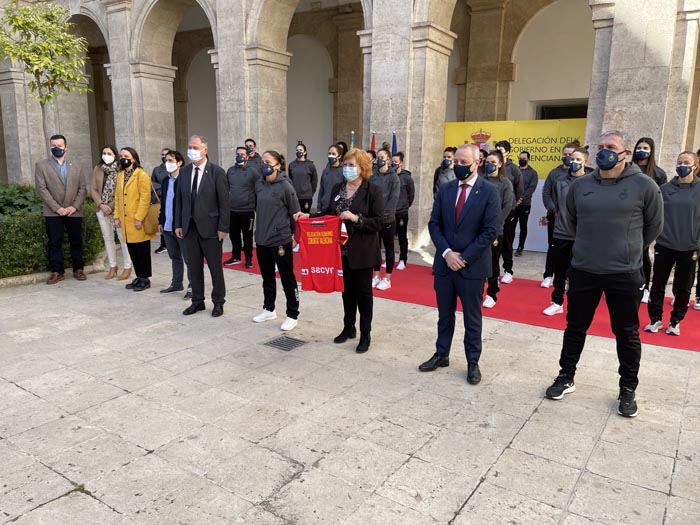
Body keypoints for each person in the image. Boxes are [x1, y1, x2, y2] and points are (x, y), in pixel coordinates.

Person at [545, 130, 663, 418]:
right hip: (584, 269)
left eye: (610, 147)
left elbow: (653, 228)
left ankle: (627, 389)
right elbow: (571, 221)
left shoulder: (645, 186)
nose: (603, 151)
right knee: (575, 327)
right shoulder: (581, 185)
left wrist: (626, 250)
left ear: (625, 154)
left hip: (624, 273)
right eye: (600, 146)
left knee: (626, 332)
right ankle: (566, 376)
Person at [419, 143, 500, 384]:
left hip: (471, 268)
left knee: (471, 318)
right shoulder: (445, 190)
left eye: (465, 162)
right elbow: (434, 224)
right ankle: (441, 354)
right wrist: (446, 253)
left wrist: (463, 257)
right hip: (445, 265)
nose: (459, 166)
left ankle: (472, 362)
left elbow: (490, 231)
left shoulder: (488, 191)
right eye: (457, 162)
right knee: (445, 315)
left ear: (477, 164)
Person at [296, 148, 383, 353]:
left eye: (351, 165)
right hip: (338, 251)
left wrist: (356, 218)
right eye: (345, 165)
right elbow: (328, 214)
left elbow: (379, 222)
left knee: (363, 295)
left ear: (363, 168)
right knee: (346, 293)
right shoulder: (338, 188)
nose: (347, 169)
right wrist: (308, 217)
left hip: (362, 251)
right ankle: (348, 327)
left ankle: (365, 334)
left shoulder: (373, 190)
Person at [644, 151, 700, 336]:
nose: (682, 165)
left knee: (684, 287)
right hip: (665, 245)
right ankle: (655, 319)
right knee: (658, 284)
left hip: (689, 247)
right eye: (679, 162)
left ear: (695, 166)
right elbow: (655, 215)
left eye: (687, 162)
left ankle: (675, 321)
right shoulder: (665, 189)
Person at [174, 135, 229, 317]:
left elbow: (224, 203)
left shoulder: (217, 172)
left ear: (205, 150)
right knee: (194, 267)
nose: (192, 150)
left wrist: (223, 228)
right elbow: (179, 201)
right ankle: (197, 301)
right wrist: (178, 224)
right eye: (190, 147)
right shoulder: (184, 172)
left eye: (195, 147)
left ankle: (218, 302)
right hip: (189, 228)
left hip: (211, 229)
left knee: (215, 268)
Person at [251, 151, 301, 331]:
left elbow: (295, 214)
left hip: (280, 239)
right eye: (262, 161)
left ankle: (292, 313)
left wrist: (295, 237)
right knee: (267, 276)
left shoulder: (286, 186)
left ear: (278, 165)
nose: (263, 164)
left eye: (268, 161)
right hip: (262, 239)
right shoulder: (259, 184)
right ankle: (269, 308)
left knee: (287, 277)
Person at [34, 134, 88, 284]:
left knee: (76, 241)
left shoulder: (77, 166)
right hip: (53, 212)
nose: (56, 148)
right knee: (55, 242)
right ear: (50, 147)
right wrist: (57, 208)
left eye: (59, 145)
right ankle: (57, 272)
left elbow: (83, 188)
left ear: (66, 147)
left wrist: (74, 207)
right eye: (53, 146)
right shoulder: (41, 165)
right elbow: (41, 189)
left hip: (74, 211)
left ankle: (78, 269)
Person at [542, 147, 589, 316]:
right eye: (571, 158)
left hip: (581, 235)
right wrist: (553, 210)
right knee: (560, 270)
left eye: (577, 159)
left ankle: (577, 304)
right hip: (561, 232)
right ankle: (557, 302)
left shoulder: (590, 182)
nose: (573, 162)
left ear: (585, 162)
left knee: (578, 273)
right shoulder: (559, 180)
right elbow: (549, 196)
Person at [113, 147, 155, 292]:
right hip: (125, 221)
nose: (123, 158)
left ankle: (145, 278)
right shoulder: (120, 175)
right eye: (121, 155)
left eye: (126, 156)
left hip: (138, 220)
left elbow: (145, 198)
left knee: (142, 250)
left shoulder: (141, 175)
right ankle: (138, 276)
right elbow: (117, 197)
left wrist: (139, 217)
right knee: (132, 250)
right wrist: (116, 216)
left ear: (134, 159)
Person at [632, 137, 668, 303]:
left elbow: (662, 200)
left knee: (643, 252)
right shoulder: (627, 168)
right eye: (639, 147)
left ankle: (645, 287)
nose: (642, 150)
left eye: (645, 147)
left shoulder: (658, 173)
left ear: (651, 150)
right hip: (627, 216)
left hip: (646, 219)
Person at [91, 145, 133, 281]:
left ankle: (127, 267)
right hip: (101, 209)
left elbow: (121, 191)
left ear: (115, 155)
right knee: (107, 238)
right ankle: (113, 266)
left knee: (122, 238)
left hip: (118, 209)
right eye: (104, 153)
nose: (106, 155)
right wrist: (102, 205)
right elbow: (93, 189)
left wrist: (110, 206)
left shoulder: (121, 169)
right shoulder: (98, 169)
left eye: (109, 153)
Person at [541, 142, 579, 288]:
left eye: (571, 155)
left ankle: (568, 278)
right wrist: (552, 209)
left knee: (572, 251)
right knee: (553, 247)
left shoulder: (585, 175)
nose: (568, 157)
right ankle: (548, 275)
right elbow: (546, 193)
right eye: (565, 154)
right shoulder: (554, 173)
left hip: (574, 221)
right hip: (555, 217)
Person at [481, 150, 515, 309]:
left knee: (493, 263)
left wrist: (494, 223)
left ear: (500, 164)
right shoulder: (480, 180)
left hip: (495, 230)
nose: (490, 165)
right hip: (478, 229)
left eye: (493, 162)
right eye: (487, 162)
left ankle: (492, 293)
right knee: (478, 261)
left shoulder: (505, 183)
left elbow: (507, 206)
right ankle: (477, 290)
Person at [158, 150, 191, 296]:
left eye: (171, 161)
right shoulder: (165, 181)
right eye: (166, 160)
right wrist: (161, 220)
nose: (167, 163)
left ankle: (193, 286)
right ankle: (177, 283)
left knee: (189, 258)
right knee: (174, 256)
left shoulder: (185, 180)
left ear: (179, 163)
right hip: (167, 224)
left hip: (181, 226)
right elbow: (164, 203)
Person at [494, 140, 523, 284]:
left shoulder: (514, 169)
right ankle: (494, 273)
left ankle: (508, 270)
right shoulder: (493, 167)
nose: (498, 153)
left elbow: (519, 188)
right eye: (496, 150)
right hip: (493, 212)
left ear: (508, 153)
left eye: (501, 151)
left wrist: (512, 204)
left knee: (507, 241)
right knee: (494, 244)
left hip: (509, 212)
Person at [224, 146, 258, 268]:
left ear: (247, 157)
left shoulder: (252, 171)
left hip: (247, 210)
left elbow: (258, 188)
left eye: (243, 154)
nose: (240, 156)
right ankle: (236, 256)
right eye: (238, 154)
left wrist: (255, 205)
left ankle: (249, 258)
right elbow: (226, 188)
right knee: (234, 235)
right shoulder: (230, 170)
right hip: (233, 209)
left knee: (247, 236)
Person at [371, 148, 399, 290]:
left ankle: (387, 278)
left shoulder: (393, 177)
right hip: (375, 218)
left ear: (388, 160)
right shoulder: (373, 175)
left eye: (382, 157)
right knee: (375, 248)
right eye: (377, 157)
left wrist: (385, 215)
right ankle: (376, 275)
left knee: (388, 248)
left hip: (388, 220)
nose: (379, 159)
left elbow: (393, 199)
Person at [392, 152, 415, 270]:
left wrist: (405, 206)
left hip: (401, 212)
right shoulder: (389, 175)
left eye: (395, 162)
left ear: (401, 163)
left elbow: (411, 195)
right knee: (389, 237)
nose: (393, 163)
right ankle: (389, 259)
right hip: (390, 212)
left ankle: (402, 259)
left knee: (402, 236)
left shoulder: (407, 178)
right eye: (392, 161)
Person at [514, 150, 538, 256]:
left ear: (529, 159)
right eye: (520, 158)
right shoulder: (514, 171)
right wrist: (514, 200)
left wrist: (521, 199)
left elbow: (531, 188)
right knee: (510, 226)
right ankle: (507, 246)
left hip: (525, 204)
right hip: (512, 204)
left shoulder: (533, 173)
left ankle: (520, 248)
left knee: (523, 226)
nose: (521, 160)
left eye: (524, 159)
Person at [288, 142, 318, 213]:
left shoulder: (310, 165)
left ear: (305, 152)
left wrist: (310, 193)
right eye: (297, 150)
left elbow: (314, 181)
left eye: (301, 150)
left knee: (304, 217)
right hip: (295, 196)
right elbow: (290, 179)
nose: (299, 152)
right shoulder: (292, 165)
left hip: (306, 196)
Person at [152, 147, 170, 254]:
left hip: (174, 199)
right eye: (162, 155)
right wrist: (161, 189)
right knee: (162, 221)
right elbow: (152, 183)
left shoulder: (176, 167)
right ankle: (163, 245)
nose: (164, 157)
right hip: (162, 198)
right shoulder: (157, 170)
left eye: (166, 154)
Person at [318, 145, 344, 212]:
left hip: (336, 208)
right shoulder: (325, 171)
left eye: (334, 154)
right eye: (329, 154)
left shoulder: (343, 171)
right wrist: (319, 206)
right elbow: (321, 189)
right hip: (324, 207)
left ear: (339, 156)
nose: (331, 156)